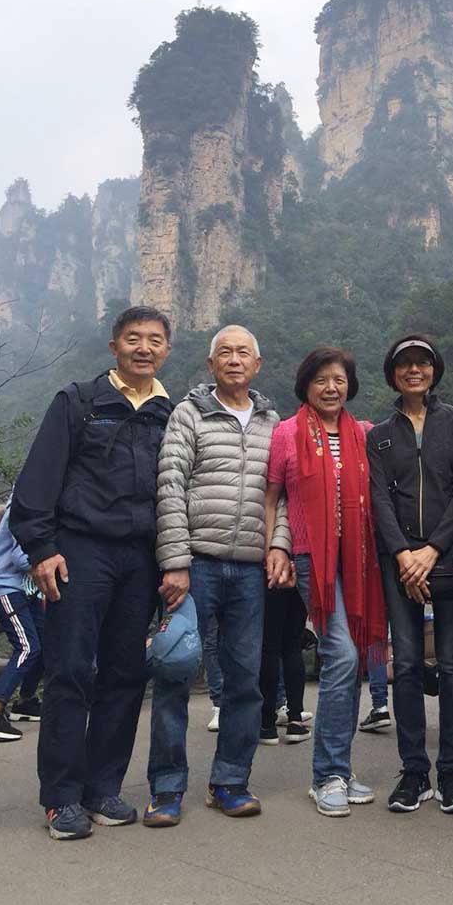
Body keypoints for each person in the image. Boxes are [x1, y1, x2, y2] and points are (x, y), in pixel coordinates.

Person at [10, 305, 173, 839]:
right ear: (114, 347)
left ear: (166, 350)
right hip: (80, 552)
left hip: (140, 558)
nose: (143, 348)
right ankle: (61, 797)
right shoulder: (78, 400)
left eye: (153, 340)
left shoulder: (171, 414)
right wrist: (42, 548)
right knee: (71, 672)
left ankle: (103, 787)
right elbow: (37, 482)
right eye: (133, 339)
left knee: (126, 675)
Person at [144, 325, 278, 827]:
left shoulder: (271, 420)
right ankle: (166, 788)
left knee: (244, 682)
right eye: (225, 352)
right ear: (210, 364)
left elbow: (279, 495)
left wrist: (277, 548)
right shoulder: (189, 413)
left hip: (249, 568)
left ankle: (229, 782)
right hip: (195, 564)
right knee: (175, 672)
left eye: (244, 351)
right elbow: (170, 484)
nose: (235, 359)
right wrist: (175, 560)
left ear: (257, 364)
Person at [264, 347, 387, 818]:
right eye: (321, 380)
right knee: (343, 652)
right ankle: (326, 775)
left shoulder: (365, 434)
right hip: (311, 557)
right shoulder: (287, 434)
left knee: (351, 655)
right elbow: (273, 497)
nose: (331, 387)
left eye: (338, 379)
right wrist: (273, 547)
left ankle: (341, 767)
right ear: (306, 387)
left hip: (360, 560)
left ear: (349, 385)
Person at [367, 335, 453, 814]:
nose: (414, 371)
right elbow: (379, 500)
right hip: (399, 563)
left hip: (447, 557)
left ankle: (451, 772)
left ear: (435, 370)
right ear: (393, 373)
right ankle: (413, 771)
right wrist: (404, 555)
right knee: (406, 664)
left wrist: (433, 549)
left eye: (422, 363)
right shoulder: (380, 435)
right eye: (405, 364)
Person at [0, 501, 45, 741]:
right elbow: (19, 557)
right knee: (27, 647)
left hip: (26, 590)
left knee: (46, 644)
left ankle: (25, 702)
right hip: (6, 587)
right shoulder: (25, 502)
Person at [259, 584, 310, 744]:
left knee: (269, 648)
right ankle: (295, 720)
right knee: (293, 647)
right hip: (299, 569)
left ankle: (267, 724)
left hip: (271, 574)